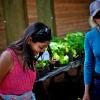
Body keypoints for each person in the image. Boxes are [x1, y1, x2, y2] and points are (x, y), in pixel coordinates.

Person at [0, 22, 52, 100]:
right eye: (41, 47)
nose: (43, 51)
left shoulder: (31, 56)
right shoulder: (8, 57)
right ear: (29, 40)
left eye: (45, 48)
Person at [82, 0, 100, 100]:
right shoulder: (90, 36)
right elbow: (88, 64)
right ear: (94, 19)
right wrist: (86, 92)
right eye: (98, 15)